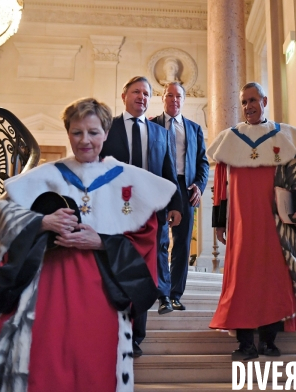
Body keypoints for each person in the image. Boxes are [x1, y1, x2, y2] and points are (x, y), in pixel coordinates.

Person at [0, 98, 176, 392]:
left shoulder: (128, 180)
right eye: (77, 132)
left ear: (105, 133)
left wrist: (102, 241)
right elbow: (5, 215)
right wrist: (43, 222)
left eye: (93, 132)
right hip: (47, 289)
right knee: (43, 361)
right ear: (68, 134)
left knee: (93, 365)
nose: (85, 141)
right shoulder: (46, 176)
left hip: (102, 293)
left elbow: (145, 235)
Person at [207, 82, 296, 360]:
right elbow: (220, 184)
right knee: (241, 280)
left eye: (253, 100)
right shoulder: (230, 138)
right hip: (241, 223)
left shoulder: (284, 135)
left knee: (275, 278)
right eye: (244, 102)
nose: (248, 106)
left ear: (264, 100)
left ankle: (269, 341)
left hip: (276, 223)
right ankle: (245, 343)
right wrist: (220, 222)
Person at [101, 76, 182, 357]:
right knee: (116, 273)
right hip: (114, 214)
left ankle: (136, 338)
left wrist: (176, 205)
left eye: (146, 93)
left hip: (149, 215)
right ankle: (113, 333)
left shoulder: (161, 133)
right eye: (136, 91)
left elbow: (169, 172)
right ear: (124, 94)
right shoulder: (107, 128)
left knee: (144, 275)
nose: (142, 97)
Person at [150, 82, 209, 314]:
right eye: (170, 95)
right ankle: (162, 293)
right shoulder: (152, 125)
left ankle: (175, 294)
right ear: (163, 98)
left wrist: (200, 186)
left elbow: (203, 162)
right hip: (160, 187)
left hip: (185, 188)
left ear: (184, 100)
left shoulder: (194, 129)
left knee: (182, 244)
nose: (174, 99)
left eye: (178, 96)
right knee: (159, 241)